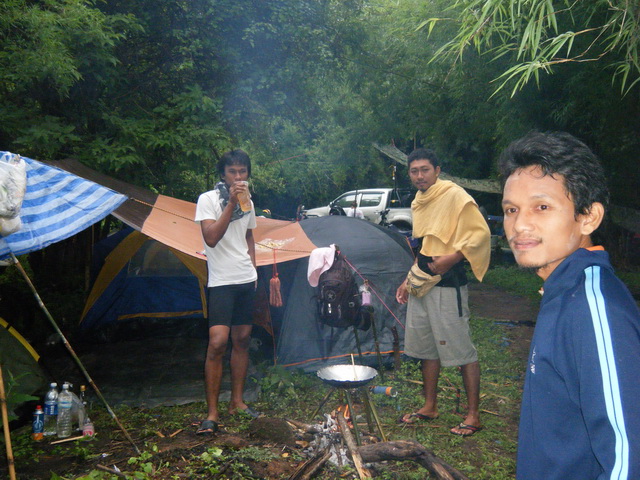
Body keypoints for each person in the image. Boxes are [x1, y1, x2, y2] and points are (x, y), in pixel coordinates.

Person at [499, 131, 640, 479]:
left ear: (588, 217)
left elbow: (627, 459)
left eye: (542, 207)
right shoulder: (562, 291)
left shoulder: (593, 307)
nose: (519, 224)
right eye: (511, 210)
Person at [396, 148, 491, 436]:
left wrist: (453, 258)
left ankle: (473, 415)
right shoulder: (420, 201)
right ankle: (429, 406)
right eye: (414, 171)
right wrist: (408, 280)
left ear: (437, 170)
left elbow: (480, 233)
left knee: (462, 348)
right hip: (423, 281)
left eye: (425, 169)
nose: (420, 176)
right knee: (426, 348)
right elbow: (424, 244)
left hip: (449, 283)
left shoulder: (454, 195)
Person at [194, 149, 260, 435]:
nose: (238, 176)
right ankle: (212, 413)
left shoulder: (249, 202)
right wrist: (231, 203)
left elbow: (249, 235)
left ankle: (237, 402)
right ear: (223, 174)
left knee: (242, 339)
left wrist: (254, 269)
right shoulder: (208, 200)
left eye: (242, 171)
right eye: (232, 171)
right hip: (221, 280)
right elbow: (211, 237)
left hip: (246, 278)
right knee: (218, 342)